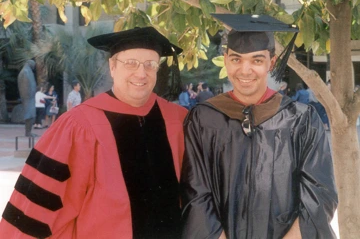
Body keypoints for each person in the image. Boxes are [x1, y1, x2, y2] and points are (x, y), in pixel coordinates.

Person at [0, 27, 187, 238]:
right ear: (113, 67)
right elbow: (41, 207)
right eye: (131, 63)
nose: (141, 73)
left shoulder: (179, 120)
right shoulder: (78, 126)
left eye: (150, 65)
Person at [181, 14, 338, 239]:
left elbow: (320, 194)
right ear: (225, 60)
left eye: (256, 60)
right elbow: (196, 193)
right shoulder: (204, 119)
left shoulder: (301, 119)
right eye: (236, 59)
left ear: (271, 63)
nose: (245, 70)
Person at [17, 60, 37, 136]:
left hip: (30, 97)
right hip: (28, 97)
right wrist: (28, 96)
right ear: (30, 64)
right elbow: (24, 87)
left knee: (31, 115)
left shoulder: (28, 71)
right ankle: (28, 132)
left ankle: (28, 132)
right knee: (30, 115)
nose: (34, 67)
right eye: (34, 65)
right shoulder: (25, 72)